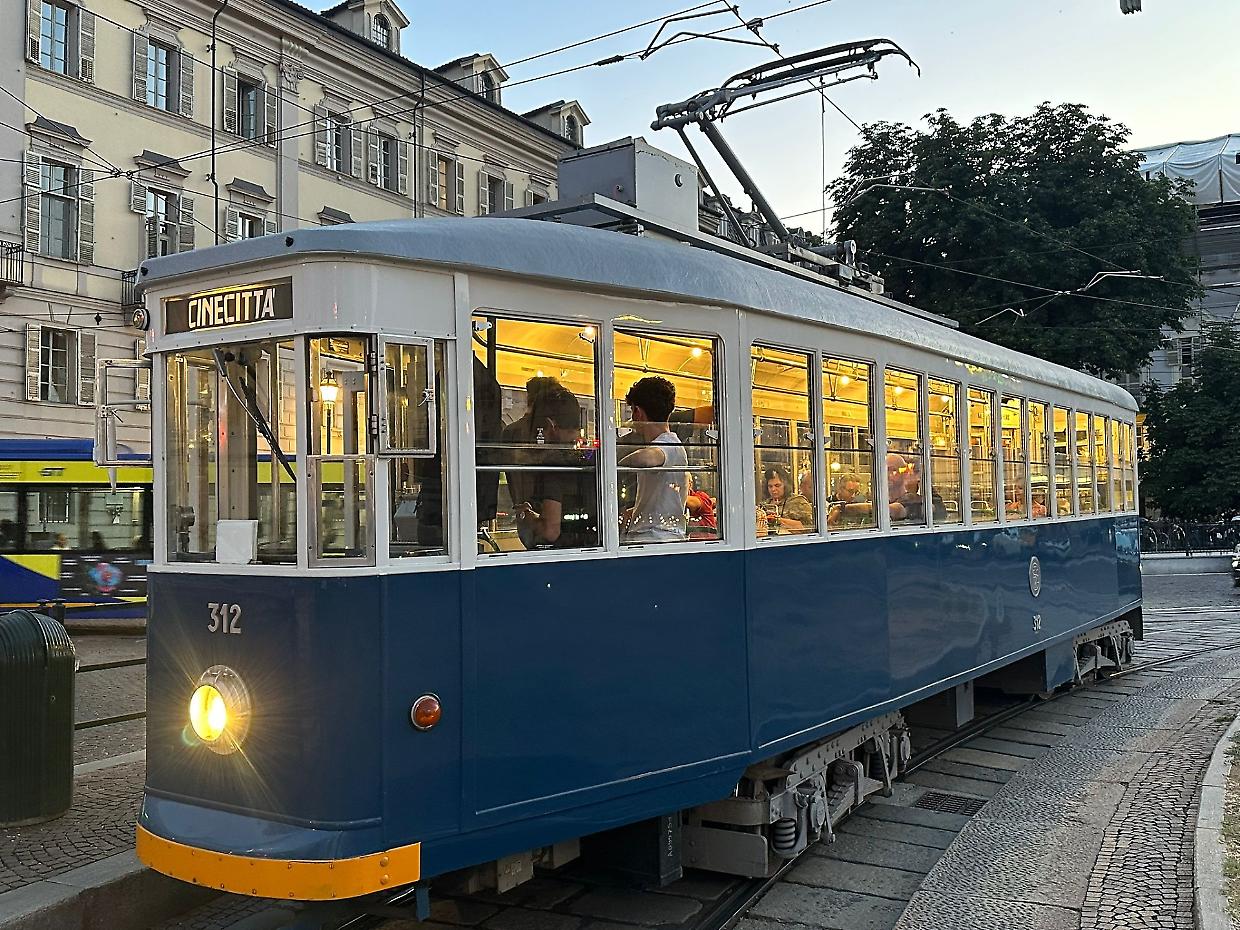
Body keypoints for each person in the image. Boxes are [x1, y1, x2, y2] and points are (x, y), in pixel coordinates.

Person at [513, 387, 598, 549]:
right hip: (593, 546)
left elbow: (550, 531)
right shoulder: (591, 457)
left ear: (549, 424)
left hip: (561, 555)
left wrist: (526, 515)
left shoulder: (554, 463)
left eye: (538, 428)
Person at [619, 377, 689, 544]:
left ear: (638, 412)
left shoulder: (668, 444)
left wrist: (613, 462)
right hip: (658, 536)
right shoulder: (672, 443)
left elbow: (647, 458)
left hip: (656, 538)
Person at [758, 465, 813, 534]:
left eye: (777, 485)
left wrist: (778, 520)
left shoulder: (798, 501)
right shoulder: (764, 505)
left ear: (786, 485)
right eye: (770, 486)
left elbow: (809, 528)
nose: (773, 489)